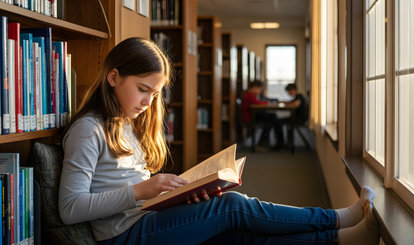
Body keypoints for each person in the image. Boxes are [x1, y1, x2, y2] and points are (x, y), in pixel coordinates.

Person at [59, 37, 380, 245]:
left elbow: (130, 190)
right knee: (233, 206)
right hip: (125, 235)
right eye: (143, 89)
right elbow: (70, 208)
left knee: (239, 235)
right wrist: (143, 190)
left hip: (146, 219)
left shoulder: (125, 123)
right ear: (113, 78)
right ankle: (335, 218)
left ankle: (340, 238)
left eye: (154, 94)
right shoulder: (89, 130)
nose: (147, 102)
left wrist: (181, 195)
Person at [241, 81, 284, 150]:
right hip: (249, 117)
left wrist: (266, 101)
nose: (260, 91)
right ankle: (273, 143)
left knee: (272, 117)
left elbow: (257, 103)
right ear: (255, 87)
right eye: (260, 89)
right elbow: (256, 103)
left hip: (252, 115)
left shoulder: (250, 94)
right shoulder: (249, 94)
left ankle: (267, 143)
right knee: (272, 119)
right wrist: (267, 102)